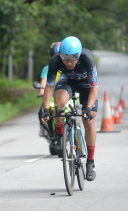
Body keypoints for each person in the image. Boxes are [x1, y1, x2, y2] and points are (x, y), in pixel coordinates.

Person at [41, 36, 98, 181]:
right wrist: (46, 108)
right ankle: (61, 137)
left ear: (78, 56)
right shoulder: (55, 60)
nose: (67, 62)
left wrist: (88, 108)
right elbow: (49, 86)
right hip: (67, 82)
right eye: (64, 59)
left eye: (71, 59)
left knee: (89, 120)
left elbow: (94, 88)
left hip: (86, 85)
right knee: (58, 106)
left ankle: (90, 162)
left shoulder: (87, 59)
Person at [38, 42, 61, 137]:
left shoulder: (70, 66)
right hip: (51, 95)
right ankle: (46, 131)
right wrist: (41, 91)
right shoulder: (48, 68)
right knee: (42, 112)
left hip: (66, 95)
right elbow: (44, 81)